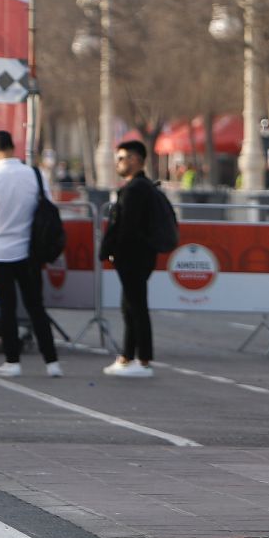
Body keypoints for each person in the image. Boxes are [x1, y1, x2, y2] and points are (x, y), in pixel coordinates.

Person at [0, 130, 60, 379]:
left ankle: (12, 361)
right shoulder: (34, 175)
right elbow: (48, 206)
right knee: (35, 306)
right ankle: (52, 362)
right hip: (30, 250)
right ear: (13, 147)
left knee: (6, 307)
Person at [101, 139, 168, 378]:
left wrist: (113, 249)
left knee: (136, 307)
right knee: (129, 306)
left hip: (133, 257)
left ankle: (143, 359)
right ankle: (127, 357)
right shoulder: (140, 186)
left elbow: (125, 227)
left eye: (121, 158)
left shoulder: (136, 190)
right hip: (137, 256)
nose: (117, 163)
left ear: (135, 160)